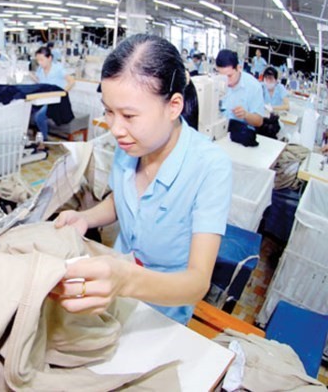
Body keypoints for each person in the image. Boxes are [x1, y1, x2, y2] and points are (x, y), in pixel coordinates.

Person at [51, 34, 232, 325]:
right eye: (109, 111)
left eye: (129, 115)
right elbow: (121, 199)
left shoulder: (210, 167)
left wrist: (126, 281)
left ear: (173, 106)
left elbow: (198, 282)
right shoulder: (131, 146)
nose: (116, 128)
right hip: (115, 287)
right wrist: (85, 218)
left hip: (164, 308)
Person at [30, 46, 75, 140]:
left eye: (42, 60)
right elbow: (40, 81)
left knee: (39, 116)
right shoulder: (40, 69)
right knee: (28, 110)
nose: (39, 62)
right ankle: (36, 137)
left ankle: (44, 141)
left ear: (49, 58)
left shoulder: (58, 68)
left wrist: (61, 93)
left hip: (57, 101)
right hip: (44, 99)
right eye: (38, 60)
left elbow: (71, 81)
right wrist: (30, 75)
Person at [215, 49, 264, 129]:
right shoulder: (216, 81)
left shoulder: (253, 86)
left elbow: (259, 121)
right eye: (222, 77)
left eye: (229, 76)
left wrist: (246, 115)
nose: (226, 82)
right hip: (219, 128)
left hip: (241, 132)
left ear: (239, 68)